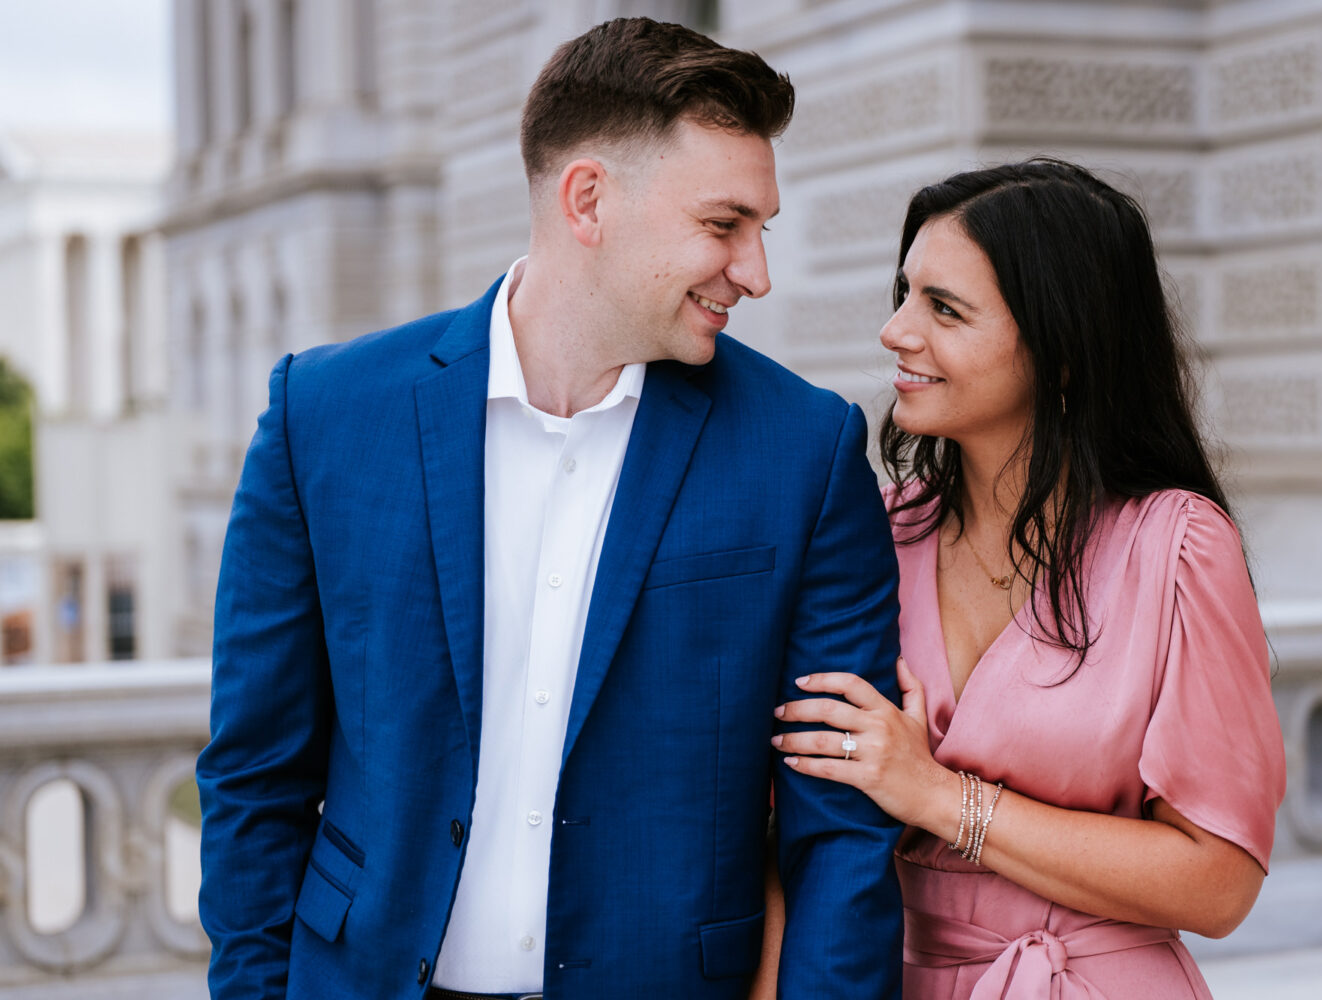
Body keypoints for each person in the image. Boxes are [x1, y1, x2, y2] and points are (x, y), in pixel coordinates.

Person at [196, 18, 905, 1000]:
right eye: (723, 224)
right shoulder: (325, 417)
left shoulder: (805, 450)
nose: (756, 271)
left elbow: (841, 825)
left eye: (762, 230)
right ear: (588, 199)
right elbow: (254, 775)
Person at [770, 159, 1287, 998]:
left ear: (1062, 354)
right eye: (905, 295)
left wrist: (939, 798)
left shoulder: (1176, 548)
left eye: (944, 309)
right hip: (883, 976)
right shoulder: (869, 534)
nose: (896, 332)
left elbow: (1219, 881)